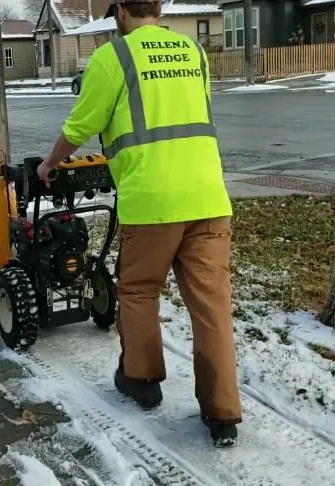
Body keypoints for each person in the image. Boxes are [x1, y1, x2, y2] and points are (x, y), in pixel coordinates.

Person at [35, 0, 242, 448]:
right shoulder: (192, 51)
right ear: (161, 7)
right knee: (211, 307)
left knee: (139, 290)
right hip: (208, 197)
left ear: (121, 12)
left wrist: (50, 164)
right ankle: (223, 412)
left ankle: (142, 379)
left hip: (151, 201)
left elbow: (82, 124)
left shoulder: (114, 56)